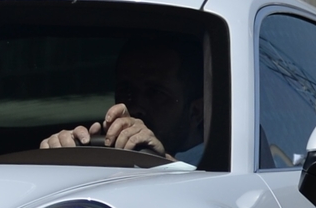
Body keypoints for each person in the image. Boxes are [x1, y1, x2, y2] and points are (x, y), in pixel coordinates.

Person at [40, 37, 205, 163]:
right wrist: (65, 151)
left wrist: (164, 161)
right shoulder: (117, 152)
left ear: (195, 112)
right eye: (125, 90)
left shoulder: (220, 161)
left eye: (155, 93)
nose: (135, 107)